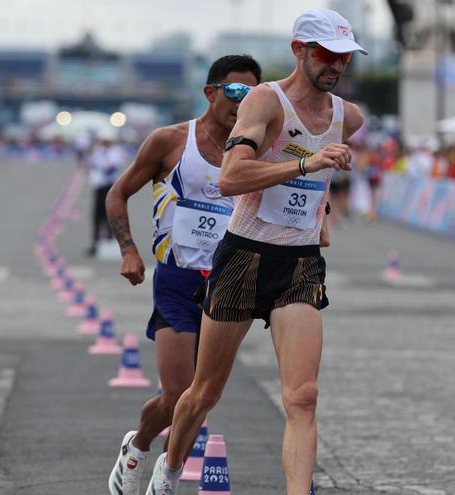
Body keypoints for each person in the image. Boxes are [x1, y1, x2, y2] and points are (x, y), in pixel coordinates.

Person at [143, 9, 365, 495]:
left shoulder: (349, 117)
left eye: (344, 56)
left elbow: (317, 179)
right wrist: (307, 164)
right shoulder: (266, 101)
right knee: (204, 393)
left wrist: (321, 205)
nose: (337, 65)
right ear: (299, 51)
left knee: (303, 397)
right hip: (244, 255)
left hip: (300, 264)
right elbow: (231, 178)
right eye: (326, 54)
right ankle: (172, 467)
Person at [104, 55, 262, 495]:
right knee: (178, 395)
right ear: (210, 92)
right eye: (234, 92)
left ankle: (167, 478)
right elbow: (117, 195)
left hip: (228, 283)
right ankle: (136, 449)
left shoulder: (258, 150)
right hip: (177, 278)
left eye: (252, 94)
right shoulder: (171, 141)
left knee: (203, 396)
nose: (242, 102)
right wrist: (129, 251)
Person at [86, 134, 125, 257]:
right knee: (97, 216)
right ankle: (96, 243)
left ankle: (110, 241)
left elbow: (110, 168)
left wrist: (99, 163)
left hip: (110, 186)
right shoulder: (98, 151)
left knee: (111, 214)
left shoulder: (116, 152)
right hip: (99, 186)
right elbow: (90, 163)